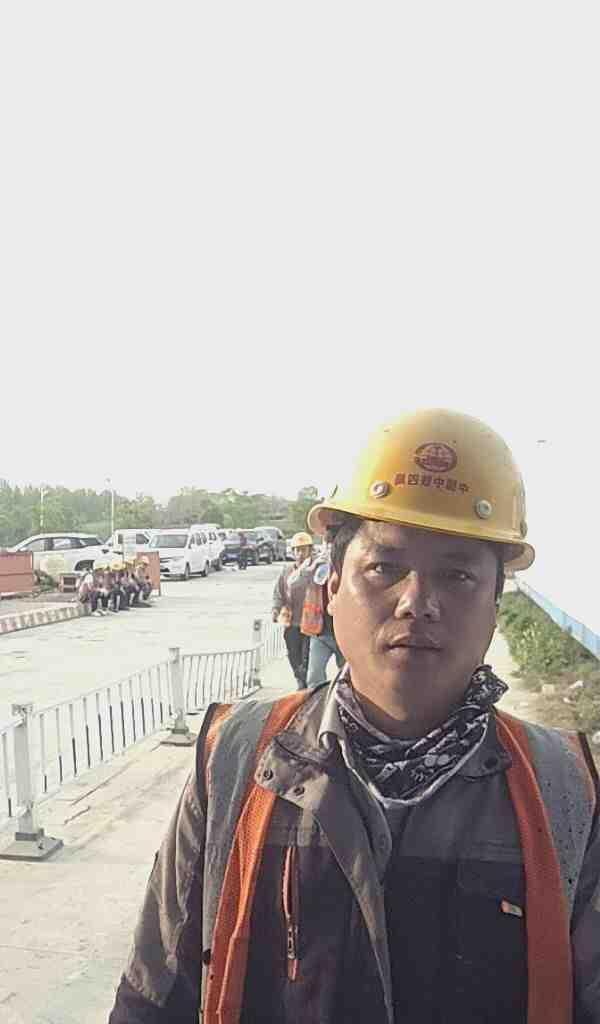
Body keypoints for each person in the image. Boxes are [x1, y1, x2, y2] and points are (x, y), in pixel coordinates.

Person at [109, 409, 600, 1024]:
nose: (417, 602)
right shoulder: (236, 757)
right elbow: (154, 996)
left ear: (495, 604)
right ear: (333, 585)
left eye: (457, 575)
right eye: (384, 568)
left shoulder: (564, 788)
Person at [272, 531, 313, 689]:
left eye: (303, 550)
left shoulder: (315, 569)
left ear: (310, 550)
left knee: (307, 657)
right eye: (297, 550)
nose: (300, 554)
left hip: (311, 623)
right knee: (293, 655)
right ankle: (300, 680)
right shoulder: (286, 571)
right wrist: (275, 610)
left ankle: (304, 685)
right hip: (292, 623)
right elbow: (279, 593)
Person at [300, 543, 345, 686]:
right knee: (314, 676)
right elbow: (295, 584)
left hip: (344, 632)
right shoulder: (316, 566)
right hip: (320, 632)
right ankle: (316, 699)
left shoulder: (346, 565)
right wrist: (312, 567)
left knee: (348, 677)